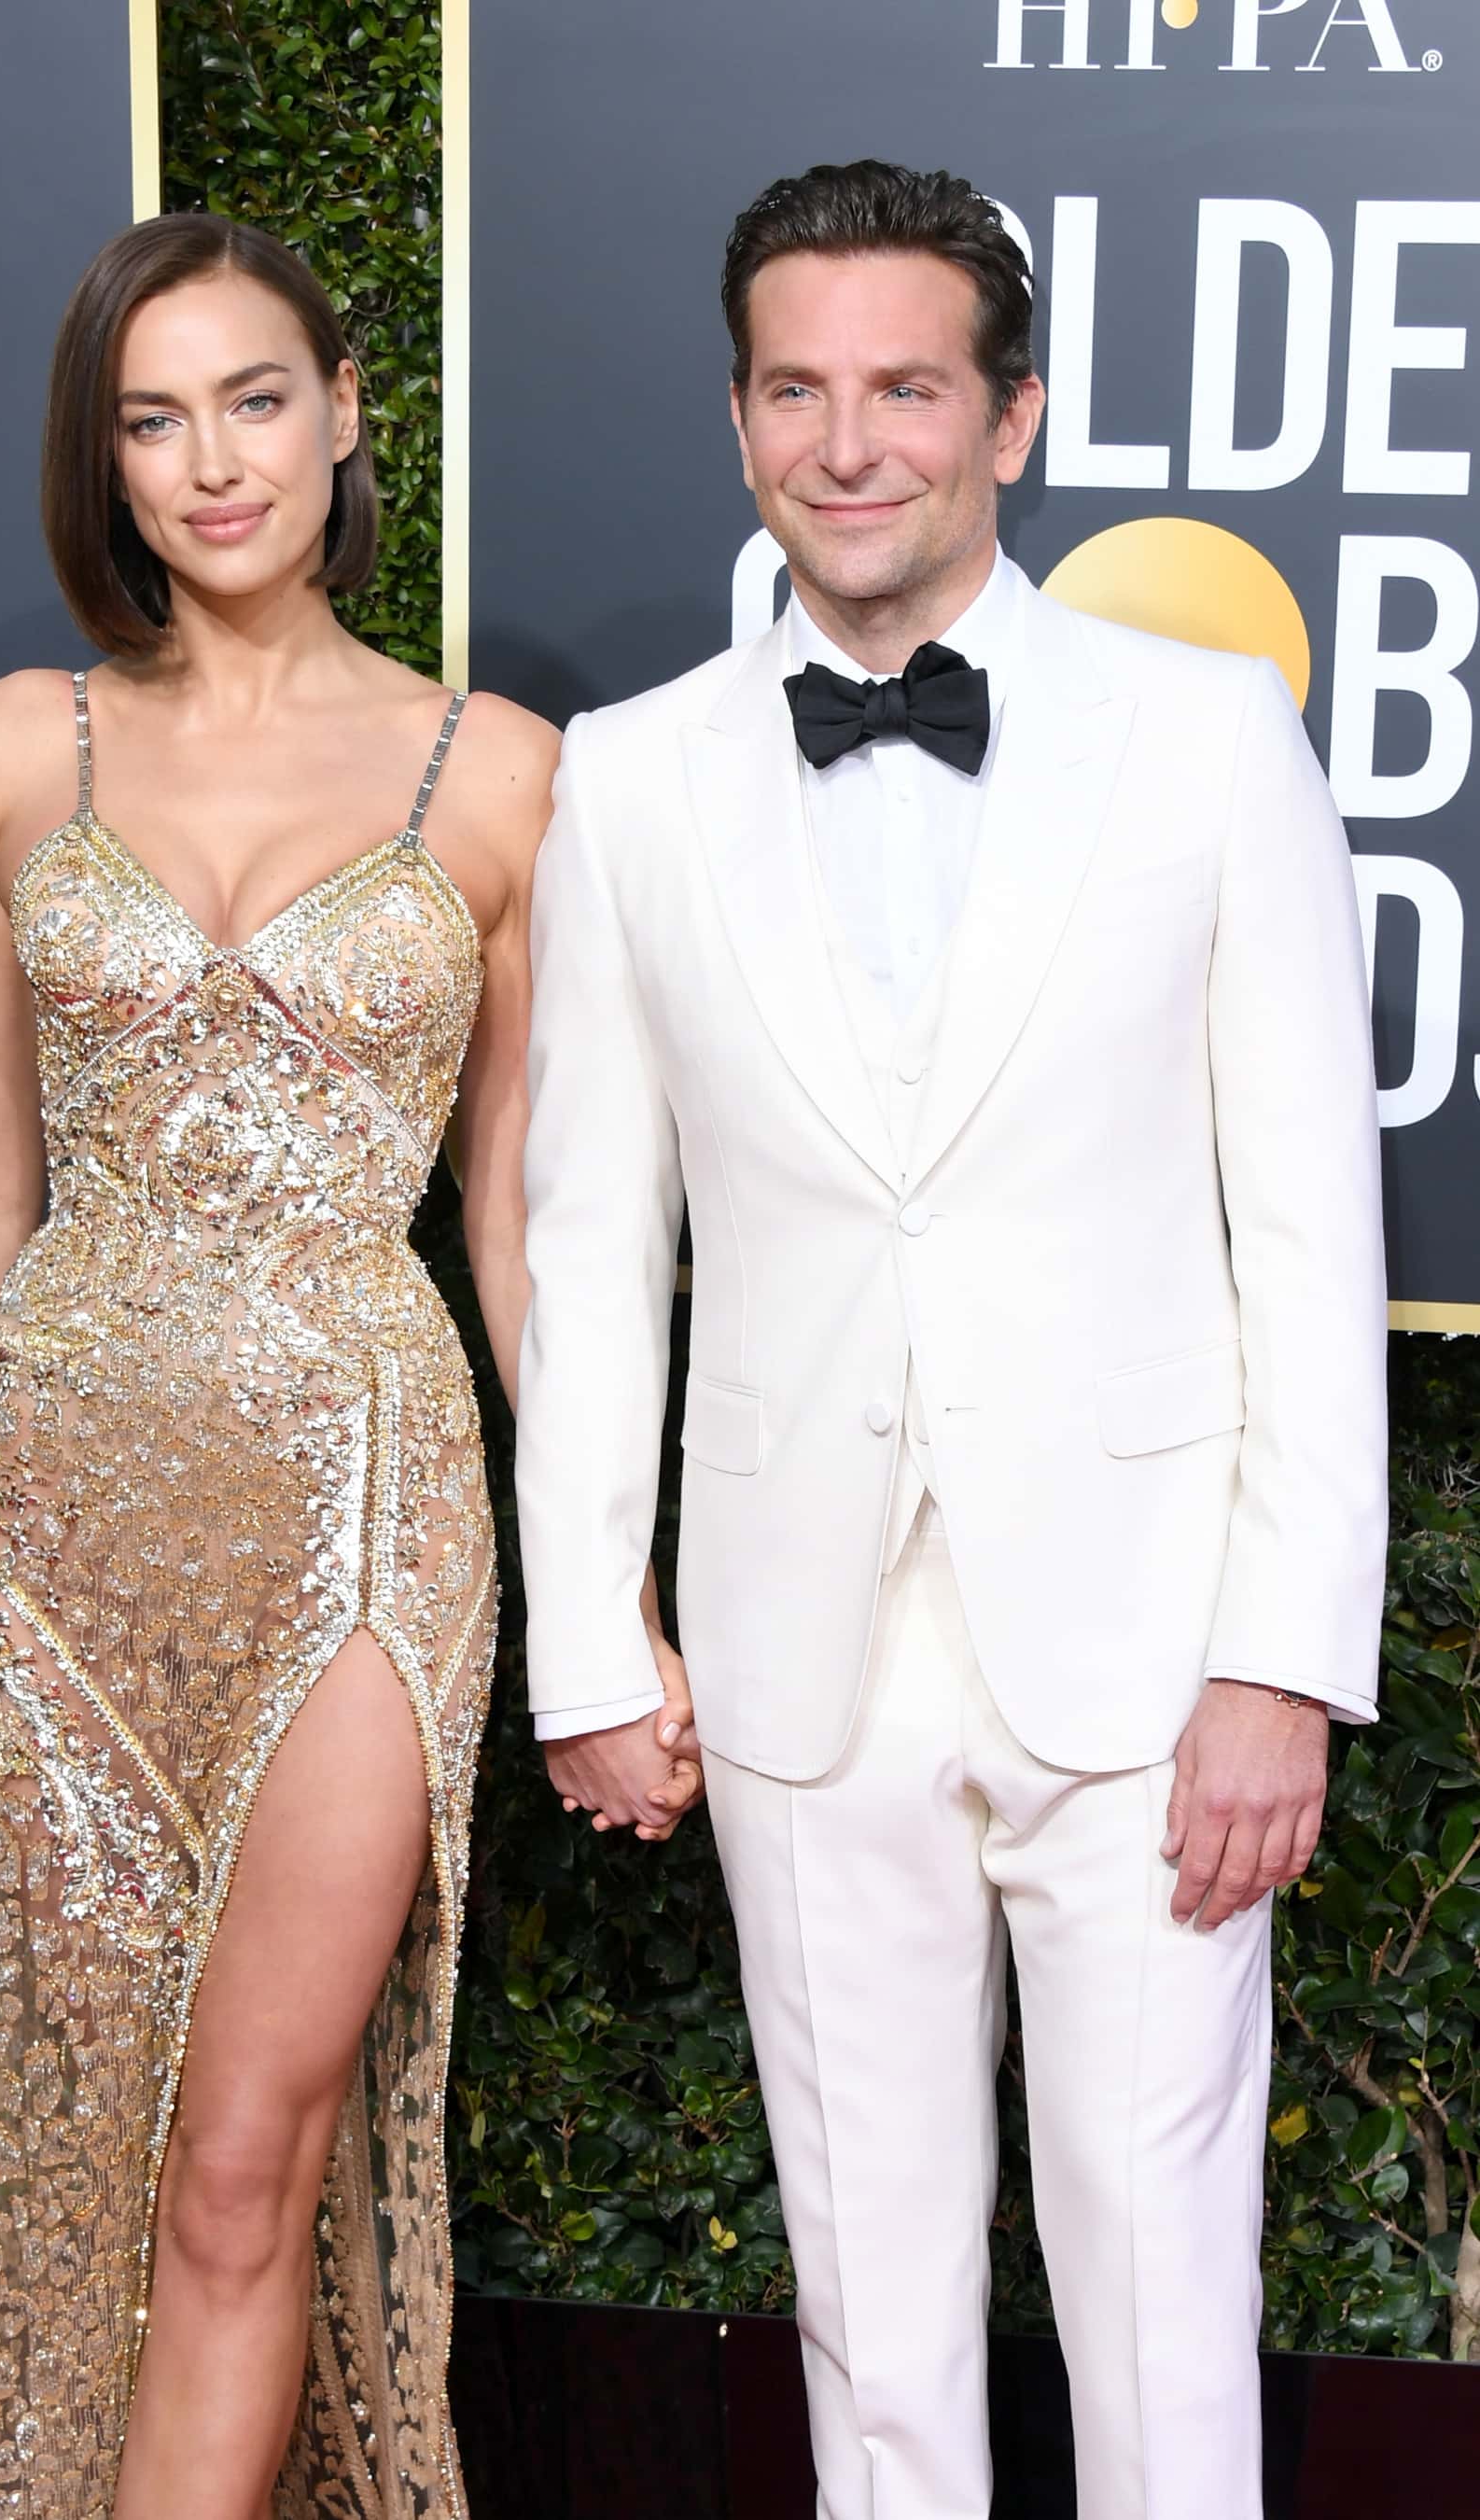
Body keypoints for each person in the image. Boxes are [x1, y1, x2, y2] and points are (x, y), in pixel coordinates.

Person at [516, 161, 1388, 2519]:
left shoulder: (1210, 743)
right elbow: (591, 1241)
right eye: (798, 389)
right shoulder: (629, 780)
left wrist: (1281, 1660)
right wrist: (590, 1637)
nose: (851, 442)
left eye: (908, 387)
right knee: (869, 2313)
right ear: (737, 421)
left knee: (1162, 2301)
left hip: (1144, 1649)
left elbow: (1311, 1229)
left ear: (1012, 416)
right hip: (802, 1649)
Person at [0, 212, 696, 2520]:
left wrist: (609, 1579)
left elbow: (521, 1229)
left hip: (364, 1491)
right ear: (103, 463)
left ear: (347, 409)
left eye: (251, 401)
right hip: (60, 1510)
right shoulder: (2, 754)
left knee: (246, 2157)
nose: (209, 464)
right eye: (151, 419)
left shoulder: (508, 775)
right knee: (103, 2150)